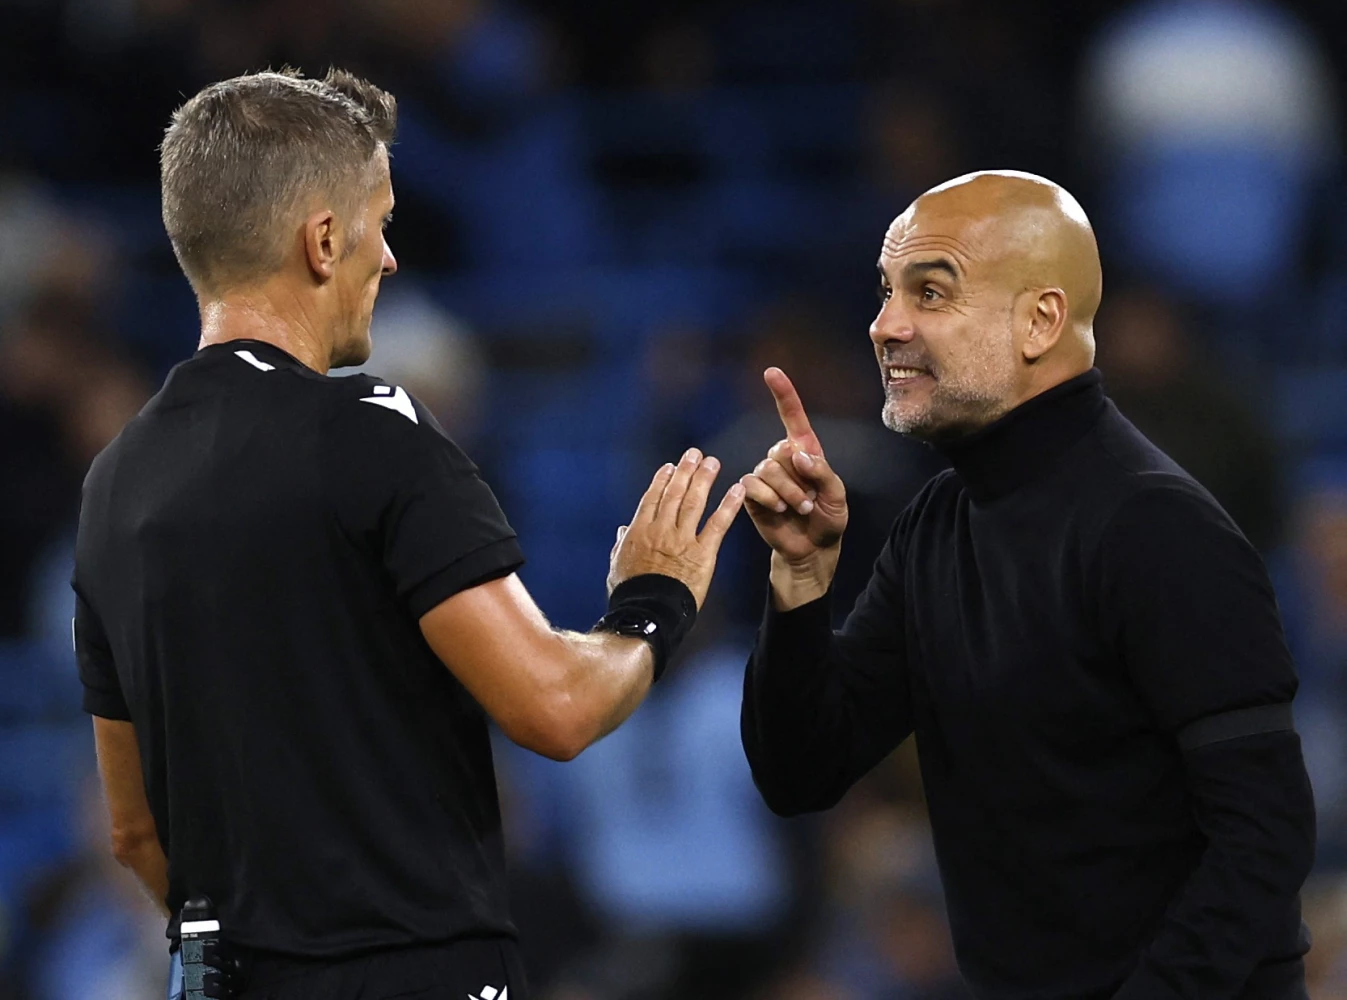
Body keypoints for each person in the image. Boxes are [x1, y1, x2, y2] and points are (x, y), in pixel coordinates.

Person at [72, 68, 744, 1000]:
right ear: (321, 240)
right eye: (378, 223)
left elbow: (135, 834)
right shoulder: (373, 432)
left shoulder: (113, 483)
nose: (387, 259)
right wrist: (653, 602)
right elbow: (554, 706)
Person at [739, 170, 1316, 1000]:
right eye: (885, 291)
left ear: (1039, 320)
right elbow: (800, 772)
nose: (883, 324)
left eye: (929, 292)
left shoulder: (1157, 528)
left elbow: (1263, 839)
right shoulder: (936, 524)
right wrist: (799, 583)